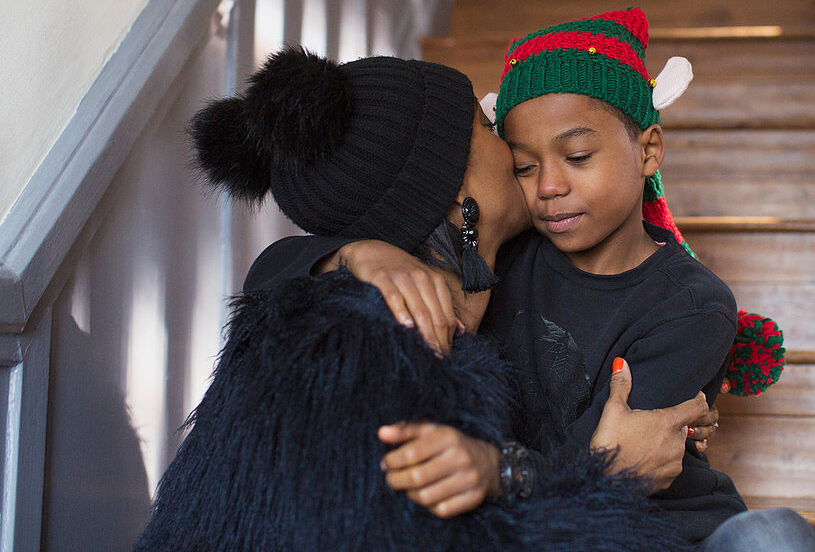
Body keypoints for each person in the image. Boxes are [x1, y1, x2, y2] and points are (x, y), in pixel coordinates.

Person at [246, 10, 815, 551]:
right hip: (560, 520)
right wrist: (353, 252)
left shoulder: (689, 303)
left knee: (775, 537)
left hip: (673, 535)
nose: (548, 185)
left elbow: (620, 464)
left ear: (648, 150)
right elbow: (268, 278)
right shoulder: (499, 262)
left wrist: (499, 470)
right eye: (523, 163)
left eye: (577, 157)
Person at [135, 48, 711, 550]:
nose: (505, 137)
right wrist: (607, 475)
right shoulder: (391, 360)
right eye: (484, 132)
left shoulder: (346, 305)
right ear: (460, 199)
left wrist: (350, 251)